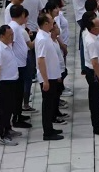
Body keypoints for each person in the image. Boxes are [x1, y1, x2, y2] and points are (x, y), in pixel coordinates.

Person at [0, 25, 21, 146]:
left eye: (12, 34)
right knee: (4, 110)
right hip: (4, 83)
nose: (12, 37)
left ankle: (8, 128)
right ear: (2, 36)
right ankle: (2, 134)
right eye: (9, 35)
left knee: (11, 107)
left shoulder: (7, 46)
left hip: (12, 81)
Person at [35, 13, 64, 141]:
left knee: (51, 103)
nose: (54, 23)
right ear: (46, 24)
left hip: (52, 75)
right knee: (47, 105)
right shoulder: (42, 39)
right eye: (52, 21)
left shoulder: (46, 36)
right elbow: (40, 60)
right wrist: (45, 80)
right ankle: (47, 132)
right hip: (47, 77)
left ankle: (50, 128)